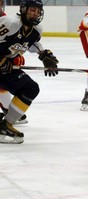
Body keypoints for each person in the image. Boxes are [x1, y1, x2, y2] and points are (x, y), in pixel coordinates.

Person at [0, 0, 59, 144]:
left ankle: (5, 125)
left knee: (30, 88)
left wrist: (44, 54)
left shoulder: (36, 29)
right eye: (32, 10)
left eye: (38, 12)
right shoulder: (10, 23)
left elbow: (31, 42)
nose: (35, 14)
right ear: (24, 10)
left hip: (5, 69)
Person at [0, 0, 28, 125]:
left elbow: (12, 44)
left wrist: (16, 56)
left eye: (1, 3)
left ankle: (8, 109)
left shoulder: (6, 21)